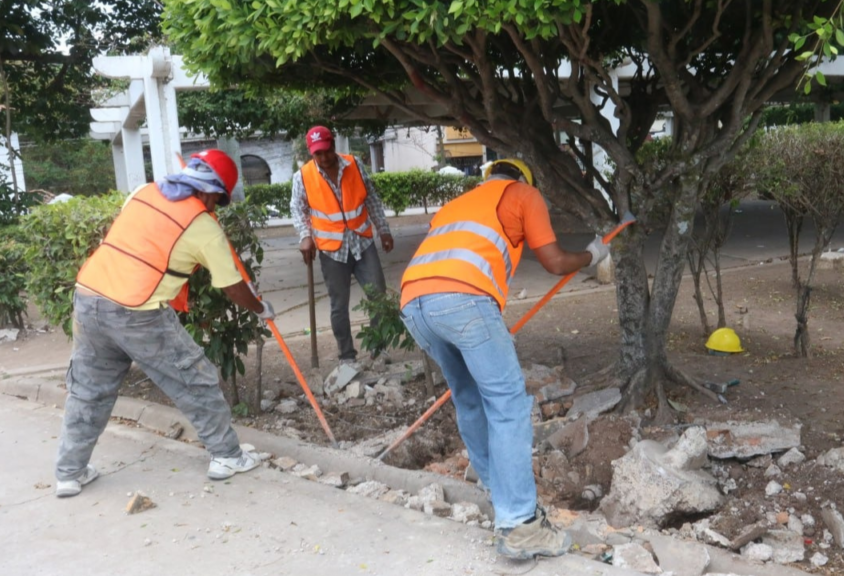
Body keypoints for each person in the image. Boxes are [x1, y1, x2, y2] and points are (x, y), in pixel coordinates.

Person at [399, 159, 610, 560]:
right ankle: (520, 525)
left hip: (414, 303)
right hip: (463, 299)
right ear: (522, 180)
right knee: (509, 403)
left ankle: (499, 490)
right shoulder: (523, 195)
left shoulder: (458, 203)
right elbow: (553, 261)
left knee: (469, 397)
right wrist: (592, 253)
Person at [55, 150, 275, 498]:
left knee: (88, 390)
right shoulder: (203, 226)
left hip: (89, 297)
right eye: (218, 200)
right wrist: (261, 308)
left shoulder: (142, 193)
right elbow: (233, 287)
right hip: (136, 310)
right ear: (211, 191)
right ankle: (227, 456)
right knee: (195, 379)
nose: (216, 207)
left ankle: (69, 473)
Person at [291, 126, 394, 365]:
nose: (324, 158)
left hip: (362, 241)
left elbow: (371, 198)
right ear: (311, 153)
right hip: (331, 249)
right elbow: (298, 209)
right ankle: (347, 356)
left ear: (333, 146)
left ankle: (379, 349)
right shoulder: (303, 176)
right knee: (339, 305)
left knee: (377, 296)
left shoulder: (354, 164)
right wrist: (305, 236)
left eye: (327, 151)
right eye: (318, 154)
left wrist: (384, 229)